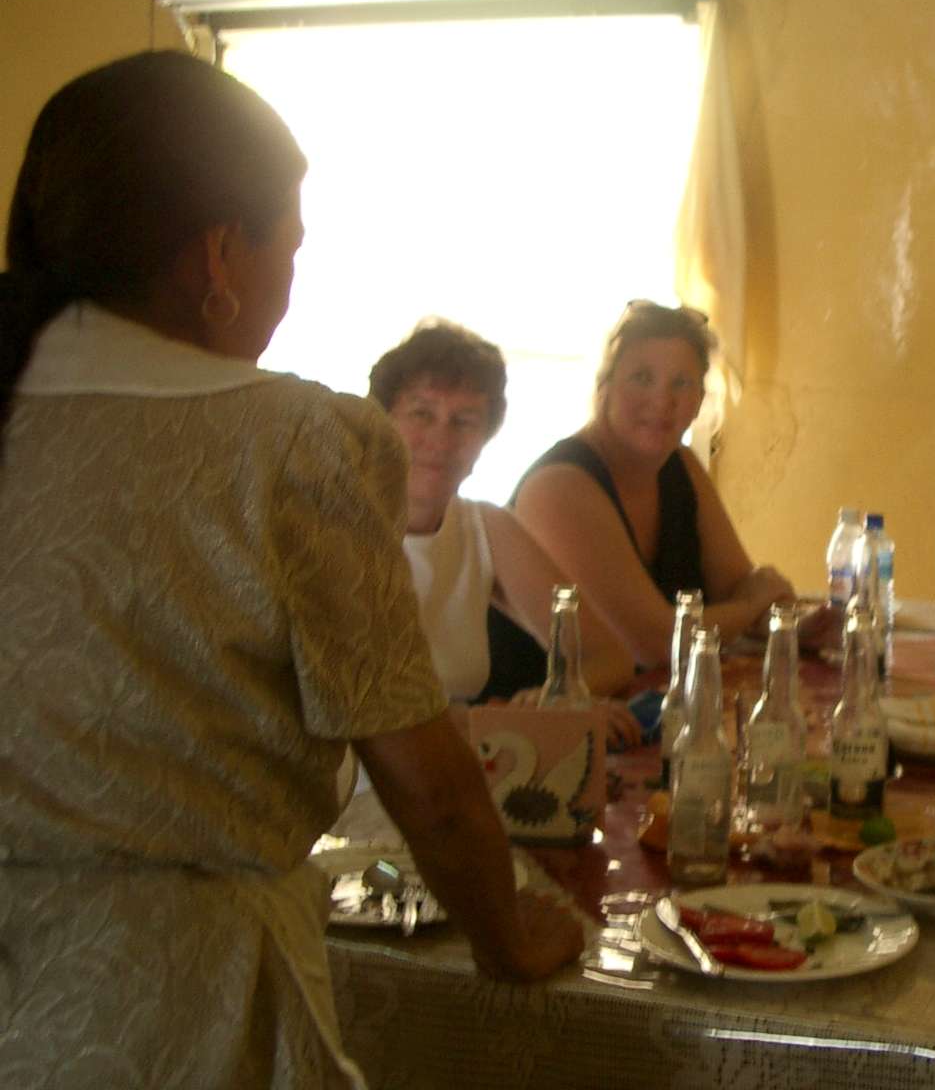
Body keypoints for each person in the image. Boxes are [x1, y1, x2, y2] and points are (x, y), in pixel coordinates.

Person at [0, 52, 581, 1087]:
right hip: (175, 1007)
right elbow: (423, 774)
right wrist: (506, 935)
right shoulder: (296, 440)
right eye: (291, 245)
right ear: (222, 256)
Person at [368, 319, 639, 747]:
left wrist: (556, 702)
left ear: (485, 439)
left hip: (461, 764)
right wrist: (521, 725)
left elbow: (608, 657)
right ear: (381, 423)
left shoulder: (484, 527)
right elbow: (373, 716)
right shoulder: (335, 527)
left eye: (464, 420)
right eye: (422, 413)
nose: (441, 438)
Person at [496, 300, 800, 669]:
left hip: (644, 707)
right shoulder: (558, 487)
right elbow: (654, 645)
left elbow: (743, 589)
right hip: (534, 715)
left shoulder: (682, 466)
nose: (661, 400)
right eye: (642, 378)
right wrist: (751, 608)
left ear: (699, 401)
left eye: (681, 383)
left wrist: (793, 625)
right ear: (604, 387)